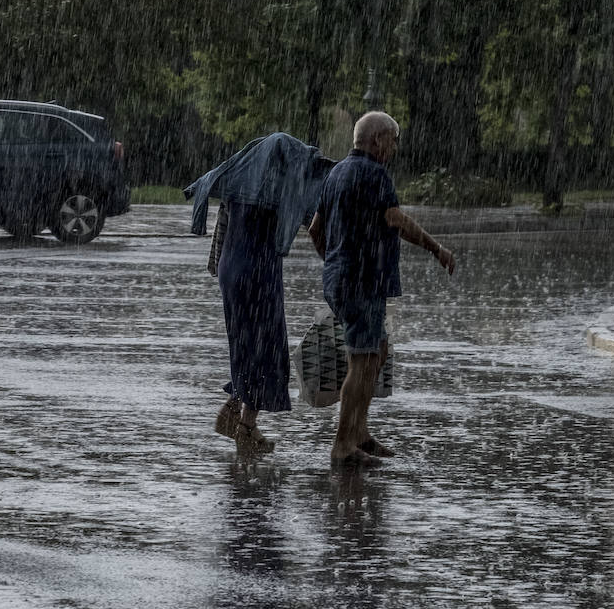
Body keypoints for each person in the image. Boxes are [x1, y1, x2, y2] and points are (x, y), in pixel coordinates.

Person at [309, 112, 455, 467]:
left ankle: (360, 433)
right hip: (364, 280)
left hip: (343, 278)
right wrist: (437, 249)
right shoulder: (375, 174)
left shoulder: (336, 173)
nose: (395, 146)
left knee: (377, 352)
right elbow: (397, 221)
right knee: (362, 360)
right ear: (376, 140)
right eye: (393, 138)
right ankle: (343, 445)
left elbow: (315, 229)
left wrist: (335, 263)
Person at [186, 133, 334, 452]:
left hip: (231, 269)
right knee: (268, 351)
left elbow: (222, 228)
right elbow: (314, 219)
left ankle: (232, 411)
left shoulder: (242, 179)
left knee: (245, 345)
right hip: (258, 272)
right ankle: (246, 429)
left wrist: (218, 268)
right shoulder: (282, 189)